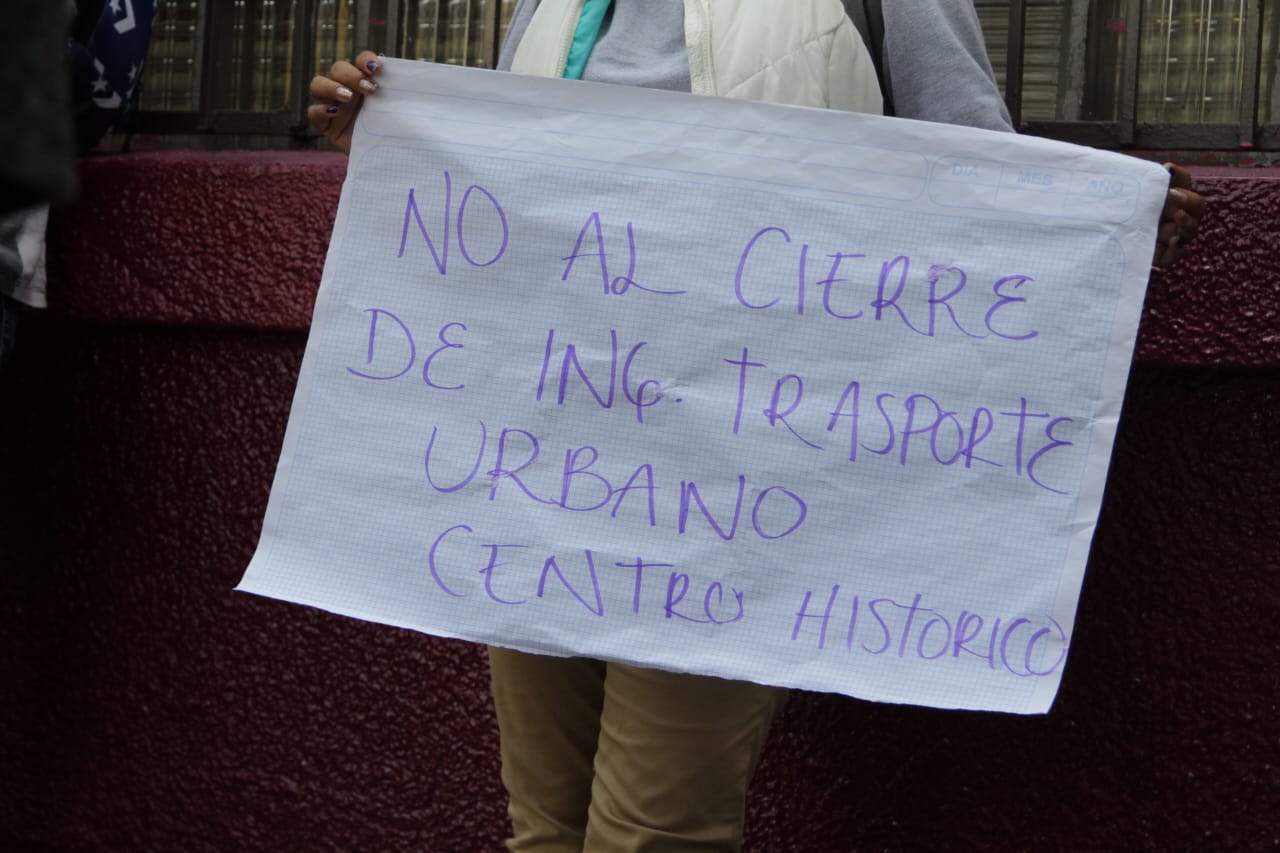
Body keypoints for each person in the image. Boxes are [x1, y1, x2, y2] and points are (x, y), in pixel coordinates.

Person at [307, 3, 1204, 850]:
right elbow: (506, 186)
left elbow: (971, 157)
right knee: (544, 824)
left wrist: (1094, 217)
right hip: (542, 465)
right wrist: (391, 137)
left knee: (655, 829)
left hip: (728, 482)